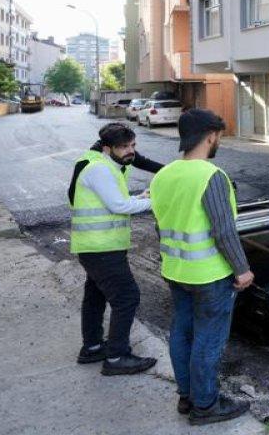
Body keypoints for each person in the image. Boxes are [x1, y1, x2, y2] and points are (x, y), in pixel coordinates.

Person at [150, 109, 254, 425]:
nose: (218, 141)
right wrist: (242, 269)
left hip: (175, 271)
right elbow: (223, 230)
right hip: (209, 276)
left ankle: (188, 396)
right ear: (210, 136)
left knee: (182, 333)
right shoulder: (211, 176)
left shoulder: (163, 176)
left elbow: (160, 225)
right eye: (219, 136)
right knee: (208, 340)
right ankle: (206, 406)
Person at [70, 122, 158, 376]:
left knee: (95, 297)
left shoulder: (106, 165)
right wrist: (155, 201)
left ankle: (93, 347)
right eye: (124, 147)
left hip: (97, 246)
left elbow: (115, 201)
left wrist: (139, 198)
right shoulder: (100, 169)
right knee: (127, 297)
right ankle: (118, 357)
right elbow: (118, 206)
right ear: (108, 148)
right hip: (101, 248)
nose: (130, 151)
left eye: (133, 146)